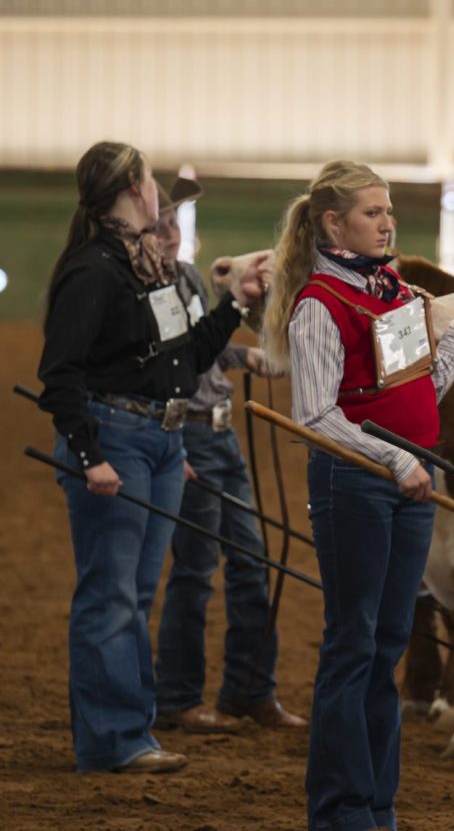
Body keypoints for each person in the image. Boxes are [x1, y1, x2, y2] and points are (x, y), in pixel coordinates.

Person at [260, 160, 454, 831]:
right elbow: (316, 417)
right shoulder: (320, 305)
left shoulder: (390, 292)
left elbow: (419, 389)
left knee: (388, 642)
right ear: (333, 223)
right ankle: (340, 810)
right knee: (355, 643)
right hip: (358, 487)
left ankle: (375, 804)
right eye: (372, 212)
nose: (387, 221)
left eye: (389, 209)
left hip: (405, 481)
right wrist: (397, 460)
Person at [38, 141, 265, 774]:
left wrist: (237, 304)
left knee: (135, 595)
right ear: (136, 190)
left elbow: (187, 358)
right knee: (111, 595)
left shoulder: (147, 269)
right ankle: (113, 740)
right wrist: (89, 456)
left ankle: (129, 731)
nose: (156, 190)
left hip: (163, 444)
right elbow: (60, 373)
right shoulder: (95, 270)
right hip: (117, 440)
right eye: (148, 180)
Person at [151, 181, 307, 734]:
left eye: (174, 224)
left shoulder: (187, 278)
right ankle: (176, 695)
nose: (170, 234)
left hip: (219, 436)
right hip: (187, 437)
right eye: (160, 224)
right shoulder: (146, 290)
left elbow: (201, 348)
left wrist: (245, 356)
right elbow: (168, 364)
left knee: (252, 562)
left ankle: (248, 689)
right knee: (195, 570)